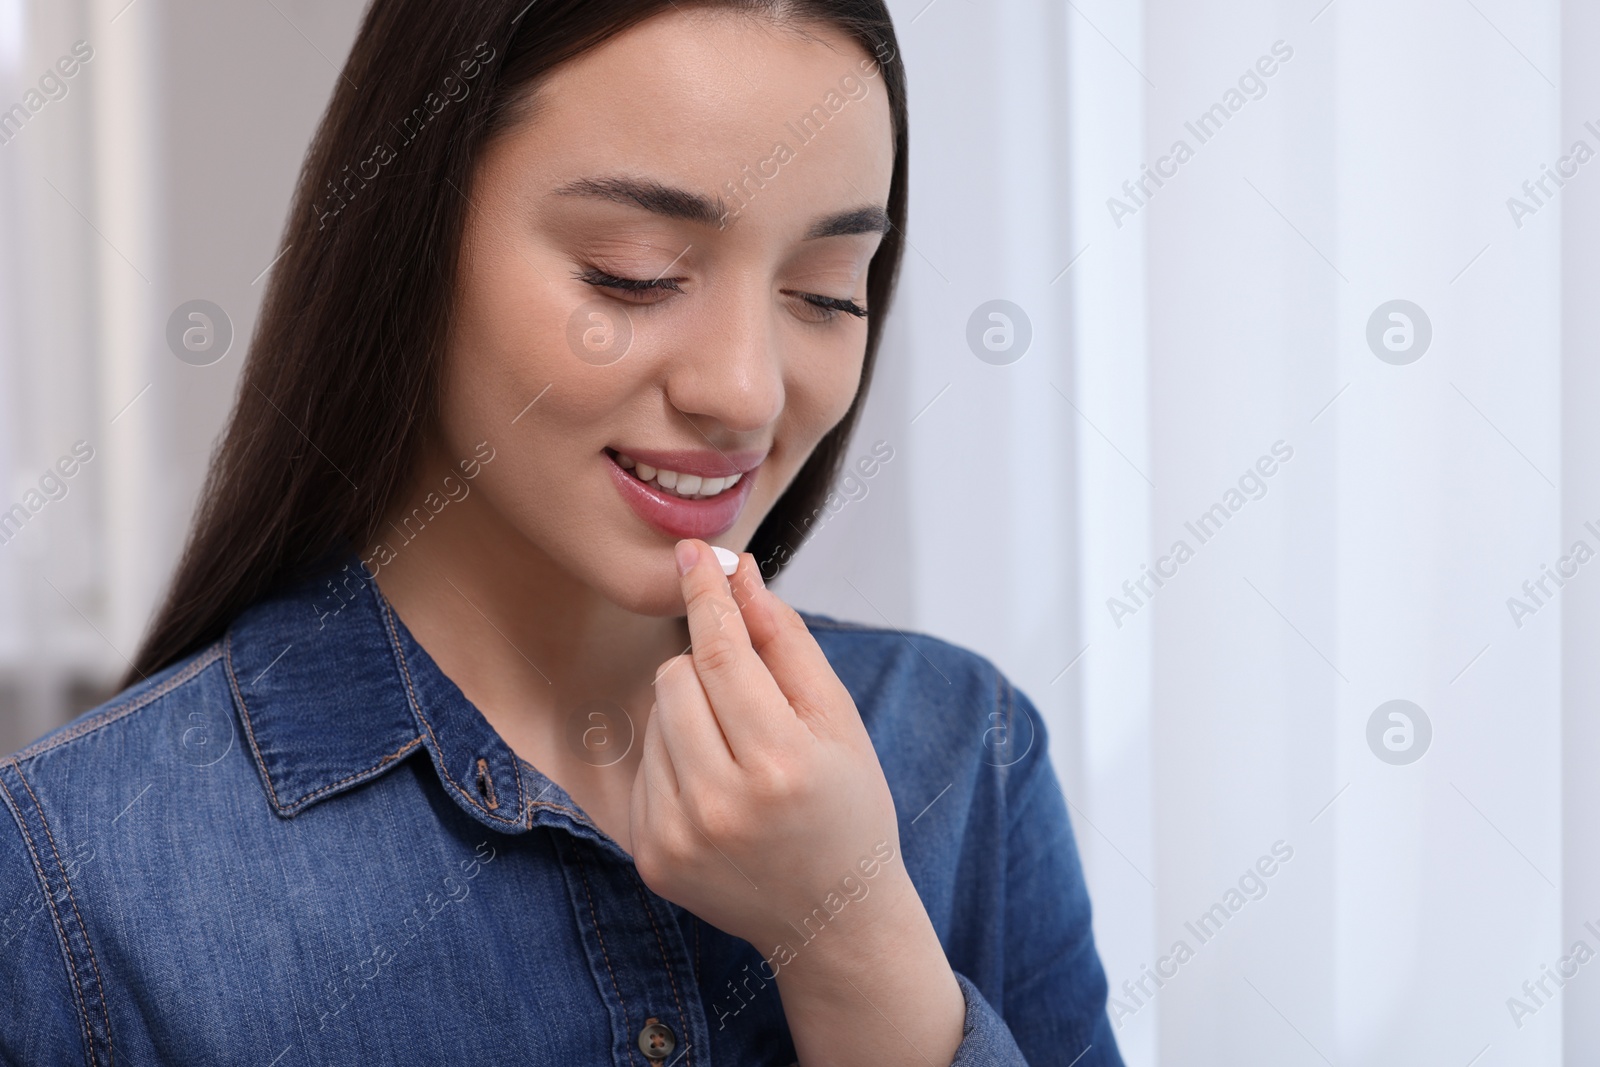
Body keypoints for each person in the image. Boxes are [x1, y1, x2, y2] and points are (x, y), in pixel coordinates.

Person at [0, 1, 1121, 1062]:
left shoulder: (966, 750)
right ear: (410, 242)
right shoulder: (68, 872)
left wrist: (854, 947)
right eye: (633, 275)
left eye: (828, 290)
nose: (745, 391)